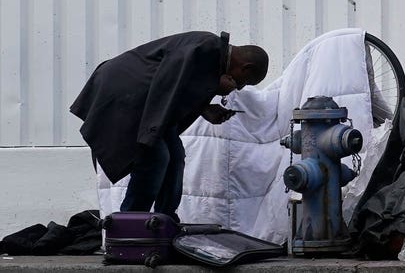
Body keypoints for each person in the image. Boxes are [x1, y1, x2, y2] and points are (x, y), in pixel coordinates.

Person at [70, 31, 269, 221]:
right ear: (246, 67)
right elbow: (165, 85)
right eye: (244, 82)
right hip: (123, 94)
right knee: (155, 158)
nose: (239, 87)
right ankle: (131, 222)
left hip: (144, 102)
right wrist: (213, 87)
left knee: (175, 157)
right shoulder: (205, 49)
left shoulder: (212, 55)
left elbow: (178, 89)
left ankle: (164, 220)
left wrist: (204, 108)